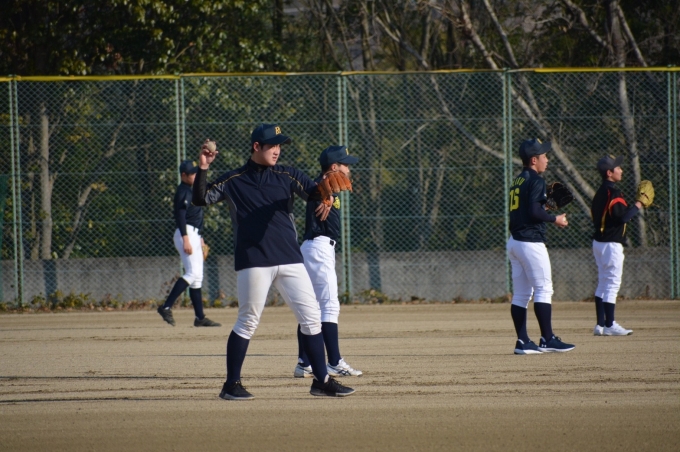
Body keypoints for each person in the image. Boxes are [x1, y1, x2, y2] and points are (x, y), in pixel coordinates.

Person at [192, 124, 355, 400]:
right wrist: (204, 167)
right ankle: (231, 385)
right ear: (257, 147)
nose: (277, 150)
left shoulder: (287, 174)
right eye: (272, 145)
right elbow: (200, 198)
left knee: (311, 318)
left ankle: (322, 381)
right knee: (247, 321)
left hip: (290, 259)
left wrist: (327, 194)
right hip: (254, 261)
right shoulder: (234, 180)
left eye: (280, 146)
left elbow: (313, 191)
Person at [293, 145, 363, 379]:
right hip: (319, 247)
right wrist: (326, 195)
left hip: (316, 248)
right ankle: (334, 362)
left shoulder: (328, 190)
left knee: (311, 307)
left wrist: (329, 197)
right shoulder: (319, 187)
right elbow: (315, 191)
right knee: (329, 306)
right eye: (345, 165)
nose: (348, 170)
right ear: (334, 167)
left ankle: (304, 363)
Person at [506, 138, 575, 354]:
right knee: (544, 289)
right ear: (534, 160)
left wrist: (544, 207)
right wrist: (555, 219)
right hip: (531, 243)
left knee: (521, 294)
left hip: (515, 242)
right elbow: (534, 212)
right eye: (544, 156)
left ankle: (523, 342)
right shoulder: (536, 181)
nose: (547, 159)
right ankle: (547, 339)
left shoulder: (518, 180)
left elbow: (529, 209)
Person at [157, 160, 221, 327]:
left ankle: (200, 318)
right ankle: (165, 307)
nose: (195, 175)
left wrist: (200, 239)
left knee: (197, 277)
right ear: (183, 175)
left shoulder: (191, 190)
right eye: (192, 173)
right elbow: (180, 217)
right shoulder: (183, 191)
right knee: (192, 273)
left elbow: (196, 217)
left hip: (194, 234)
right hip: (186, 233)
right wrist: (186, 239)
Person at [590, 155, 640, 336]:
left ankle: (600, 325)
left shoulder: (599, 192)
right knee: (612, 283)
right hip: (611, 244)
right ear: (609, 173)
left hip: (599, 243)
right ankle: (610, 324)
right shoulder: (613, 192)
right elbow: (622, 217)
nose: (621, 170)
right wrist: (639, 204)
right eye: (617, 168)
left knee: (603, 282)